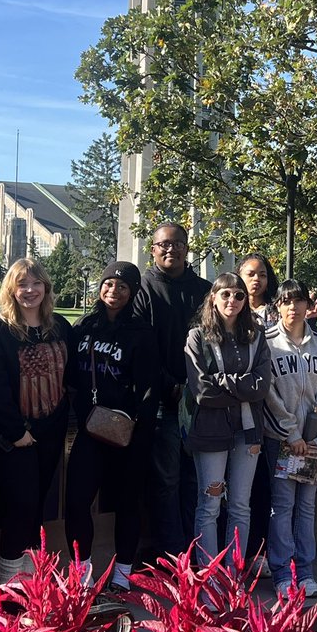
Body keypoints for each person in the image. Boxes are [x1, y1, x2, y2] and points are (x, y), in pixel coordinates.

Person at [64, 261, 159, 590]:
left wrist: (139, 430)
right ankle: (83, 572)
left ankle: (122, 573)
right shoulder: (84, 327)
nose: (113, 291)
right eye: (108, 284)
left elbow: (150, 388)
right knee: (76, 501)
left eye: (122, 286)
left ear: (132, 292)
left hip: (127, 433)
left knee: (127, 504)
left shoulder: (141, 333)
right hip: (89, 429)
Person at [0, 259, 72, 587]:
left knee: (37, 508)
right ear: (11, 290)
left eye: (36, 283)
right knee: (21, 506)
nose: (29, 290)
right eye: (22, 284)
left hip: (51, 431)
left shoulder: (61, 327)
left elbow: (69, 378)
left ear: (46, 287)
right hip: (13, 436)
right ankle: (9, 589)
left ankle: (33, 585)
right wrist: (17, 431)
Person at [132, 222, 212, 558]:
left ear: (187, 247)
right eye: (163, 244)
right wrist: (170, 386)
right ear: (153, 249)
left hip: (202, 403)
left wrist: (197, 387)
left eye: (177, 243)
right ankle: (172, 557)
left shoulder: (206, 290)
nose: (171, 249)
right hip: (163, 404)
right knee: (166, 482)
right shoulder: (143, 289)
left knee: (197, 483)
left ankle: (197, 555)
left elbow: (217, 344)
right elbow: (140, 346)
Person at [262, 279, 317, 597]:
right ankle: (283, 573)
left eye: (298, 301)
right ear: (278, 306)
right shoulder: (267, 343)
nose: (292, 307)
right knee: (282, 505)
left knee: (307, 506)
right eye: (285, 301)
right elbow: (267, 395)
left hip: (313, 444)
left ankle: (305, 571)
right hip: (282, 440)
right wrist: (291, 433)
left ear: (308, 305)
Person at [184, 272, 271, 569]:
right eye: (225, 294)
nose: (232, 300)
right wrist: (241, 387)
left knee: (240, 506)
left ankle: (234, 575)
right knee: (209, 505)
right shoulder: (198, 336)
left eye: (238, 295)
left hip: (247, 432)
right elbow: (203, 392)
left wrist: (224, 381)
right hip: (210, 432)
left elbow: (263, 385)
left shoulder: (256, 338)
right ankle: (209, 577)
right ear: (213, 298)